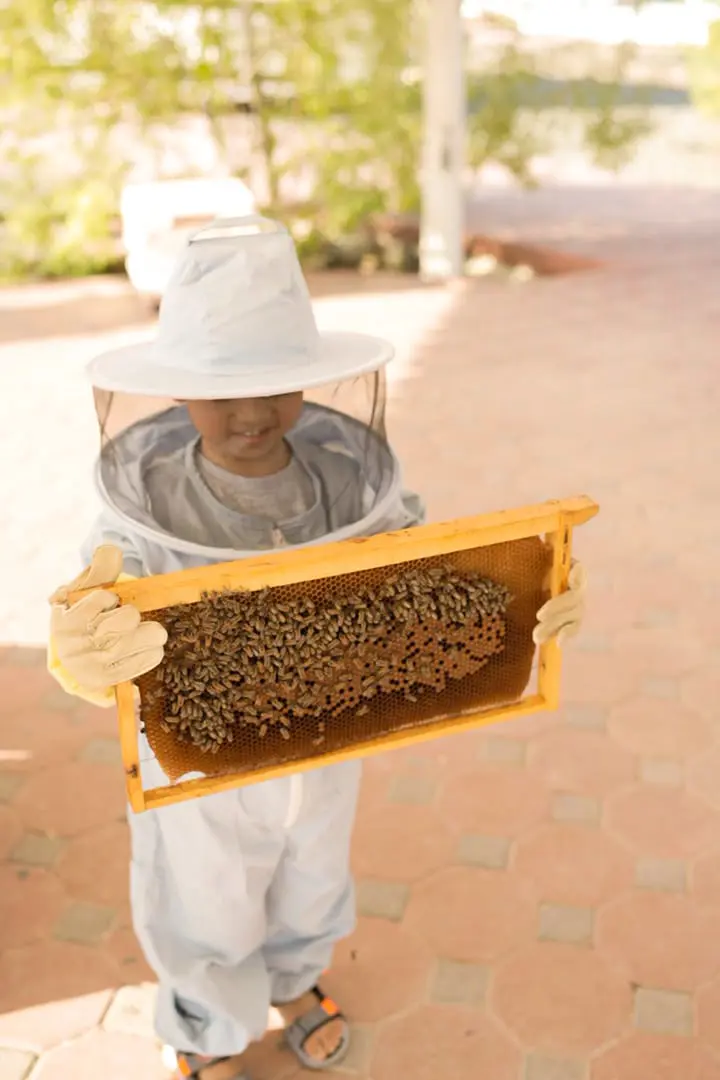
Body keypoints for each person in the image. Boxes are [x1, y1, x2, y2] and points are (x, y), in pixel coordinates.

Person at [47, 216, 586, 1080]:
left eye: (278, 383)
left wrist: (522, 601)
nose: (253, 413)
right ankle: (207, 1027)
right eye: (223, 390)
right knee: (205, 900)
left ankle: (295, 981)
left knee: (312, 873)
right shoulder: (144, 505)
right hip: (201, 769)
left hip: (333, 731)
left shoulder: (350, 482)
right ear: (177, 389)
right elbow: (101, 593)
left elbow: (422, 572)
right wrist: (81, 642)